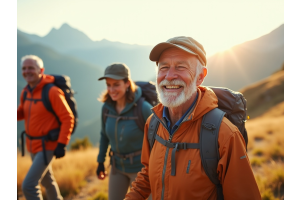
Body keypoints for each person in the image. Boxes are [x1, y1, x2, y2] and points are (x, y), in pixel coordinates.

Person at [124, 36, 261, 200]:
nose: (169, 76)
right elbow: (147, 174)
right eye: (164, 67)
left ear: (200, 76)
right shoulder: (153, 123)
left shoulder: (224, 134)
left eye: (181, 67)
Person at [17, 55, 75, 200]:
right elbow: (22, 113)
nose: (27, 71)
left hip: (47, 146)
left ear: (41, 70)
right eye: (24, 68)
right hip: (32, 145)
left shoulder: (52, 91)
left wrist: (62, 144)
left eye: (31, 68)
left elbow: (68, 118)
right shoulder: (26, 91)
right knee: (47, 181)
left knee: (28, 186)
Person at [96, 63, 153, 200]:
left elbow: (158, 139)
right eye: (108, 85)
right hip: (117, 169)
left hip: (142, 171)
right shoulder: (106, 109)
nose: (111, 89)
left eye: (116, 84)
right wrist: (100, 162)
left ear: (127, 83)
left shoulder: (143, 108)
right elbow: (104, 136)